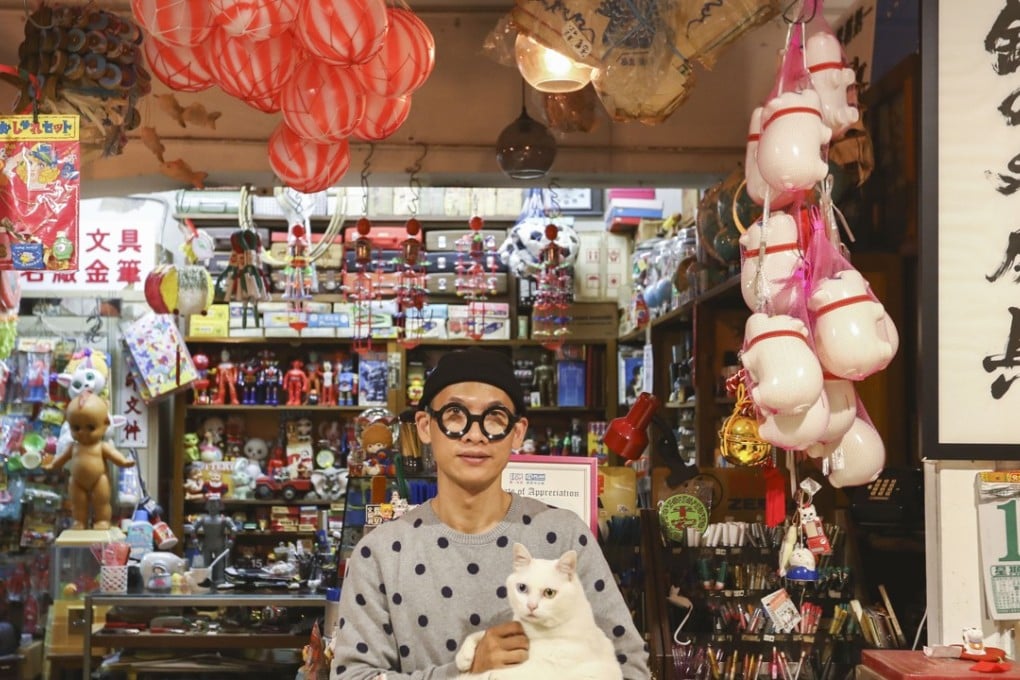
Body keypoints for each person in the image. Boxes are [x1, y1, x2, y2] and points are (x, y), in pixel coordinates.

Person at [331, 348, 649, 679]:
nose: (475, 433)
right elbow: (353, 676)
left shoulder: (564, 535)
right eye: (455, 414)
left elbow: (628, 662)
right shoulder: (380, 552)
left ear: (517, 433)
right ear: (425, 426)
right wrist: (466, 672)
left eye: (495, 417)